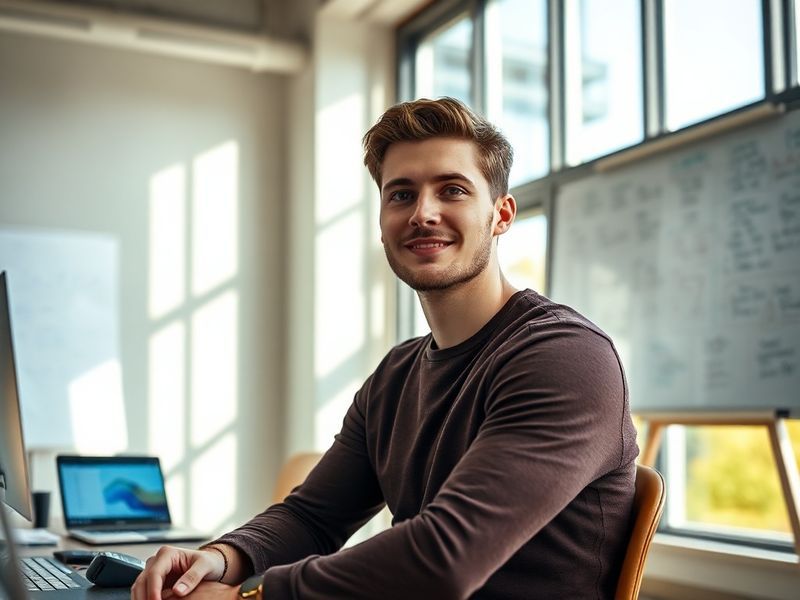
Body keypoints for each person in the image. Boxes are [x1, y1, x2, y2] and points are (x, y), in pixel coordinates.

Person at [131, 97, 639, 600]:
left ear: (501, 215)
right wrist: (221, 558)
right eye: (401, 195)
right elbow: (313, 516)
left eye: (453, 190)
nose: (424, 213)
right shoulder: (396, 374)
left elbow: (444, 559)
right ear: (382, 221)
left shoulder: (566, 356)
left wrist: (254, 598)